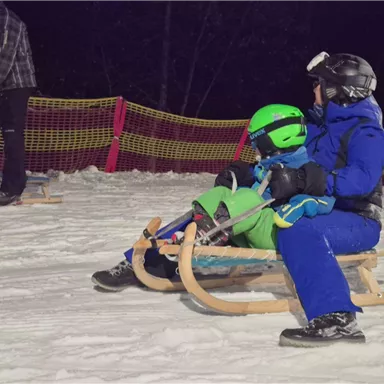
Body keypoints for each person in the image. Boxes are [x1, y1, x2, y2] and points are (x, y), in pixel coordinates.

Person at [91, 104, 334, 289]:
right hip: (243, 229)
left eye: (256, 141)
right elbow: (253, 180)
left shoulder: (307, 171)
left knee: (250, 199)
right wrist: (238, 175)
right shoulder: (267, 165)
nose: (253, 148)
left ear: (273, 139)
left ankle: (188, 248)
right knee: (221, 193)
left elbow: (323, 200)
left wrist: (301, 187)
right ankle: (143, 258)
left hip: (278, 234)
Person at [269, 52, 384, 347]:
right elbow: (288, 159)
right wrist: (252, 173)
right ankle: (157, 256)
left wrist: (313, 181)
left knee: (299, 227)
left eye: (319, 84)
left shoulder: (366, 131)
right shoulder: (317, 128)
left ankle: (337, 319)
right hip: (320, 208)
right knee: (236, 200)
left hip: (357, 218)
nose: (314, 90)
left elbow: (362, 178)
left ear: (337, 89)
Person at [0, 0, 37, 206]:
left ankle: (13, 187)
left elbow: (3, 58)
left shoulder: (7, 20)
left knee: (12, 134)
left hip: (16, 85)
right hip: (4, 84)